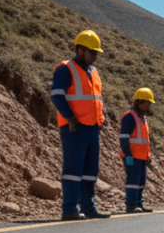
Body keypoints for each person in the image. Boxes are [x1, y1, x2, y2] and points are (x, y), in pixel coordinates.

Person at [51, 29, 111, 221]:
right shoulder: (65, 69)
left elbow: (95, 99)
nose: (95, 57)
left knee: (90, 171)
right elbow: (57, 96)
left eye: (96, 53)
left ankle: (89, 208)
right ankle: (69, 209)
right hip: (74, 127)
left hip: (92, 127)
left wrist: (99, 120)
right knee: (73, 169)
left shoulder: (93, 72)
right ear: (80, 51)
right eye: (92, 53)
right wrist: (70, 118)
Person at [120, 87, 156, 213]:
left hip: (141, 156)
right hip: (133, 156)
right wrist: (128, 154)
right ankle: (131, 205)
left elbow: (145, 140)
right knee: (133, 182)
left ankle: (138, 203)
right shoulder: (130, 116)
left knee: (141, 182)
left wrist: (148, 156)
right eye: (144, 102)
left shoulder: (142, 118)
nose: (146, 105)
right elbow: (124, 137)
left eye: (148, 103)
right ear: (137, 102)